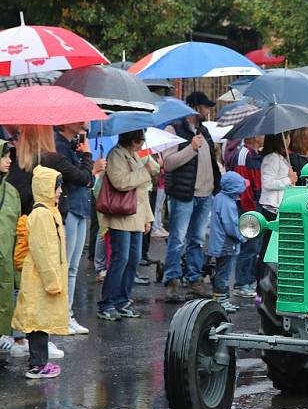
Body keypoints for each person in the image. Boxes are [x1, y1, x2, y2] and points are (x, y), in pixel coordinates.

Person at [6, 125, 65, 359]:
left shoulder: (20, 163)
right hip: (28, 237)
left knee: (25, 295)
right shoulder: (39, 169)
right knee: (31, 301)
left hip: (20, 227)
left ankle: (21, 339)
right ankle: (29, 348)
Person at [162, 92, 221, 303]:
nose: (208, 111)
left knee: (196, 239)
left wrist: (217, 181)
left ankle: (194, 279)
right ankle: (172, 280)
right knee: (177, 239)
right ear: (195, 108)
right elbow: (168, 163)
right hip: (184, 194)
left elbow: (211, 162)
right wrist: (191, 148)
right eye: (205, 107)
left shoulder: (203, 131)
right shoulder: (174, 130)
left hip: (205, 195)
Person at [12, 166, 69, 378]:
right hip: (41, 279)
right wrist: (52, 280)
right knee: (37, 322)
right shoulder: (41, 214)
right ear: (46, 187)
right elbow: (43, 251)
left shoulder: (48, 212)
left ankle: (39, 363)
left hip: (43, 278)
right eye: (57, 186)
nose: (60, 191)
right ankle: (37, 365)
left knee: (40, 321)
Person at [96, 130, 158, 320]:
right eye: (140, 140)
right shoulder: (116, 155)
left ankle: (122, 300)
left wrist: (148, 218)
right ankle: (107, 303)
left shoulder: (134, 156)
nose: (142, 144)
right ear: (132, 140)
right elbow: (120, 183)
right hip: (121, 216)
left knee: (133, 259)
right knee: (120, 259)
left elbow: (142, 192)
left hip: (136, 218)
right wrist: (144, 171)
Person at [55, 122, 105, 334]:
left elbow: (87, 182)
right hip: (69, 209)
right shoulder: (59, 146)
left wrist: (90, 170)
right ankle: (60, 316)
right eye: (82, 119)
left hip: (81, 208)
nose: (87, 123)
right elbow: (77, 179)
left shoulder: (74, 145)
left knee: (73, 267)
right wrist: (90, 164)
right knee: (64, 266)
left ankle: (67, 314)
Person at [258, 133, 296, 277]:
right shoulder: (272, 158)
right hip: (271, 208)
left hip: (278, 207)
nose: (289, 139)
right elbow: (267, 183)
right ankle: (261, 283)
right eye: (286, 136)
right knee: (267, 249)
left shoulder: (281, 157)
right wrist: (288, 179)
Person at [208, 172, 247, 313]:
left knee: (221, 272)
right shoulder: (228, 203)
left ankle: (220, 299)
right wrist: (242, 237)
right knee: (224, 274)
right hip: (226, 244)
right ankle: (220, 301)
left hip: (219, 243)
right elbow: (230, 225)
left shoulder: (219, 197)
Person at [231, 137, 263, 299]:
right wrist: (250, 208)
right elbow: (244, 186)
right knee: (248, 245)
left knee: (254, 247)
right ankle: (241, 282)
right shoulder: (244, 155)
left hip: (255, 204)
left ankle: (249, 280)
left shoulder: (255, 154)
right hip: (248, 206)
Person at [0, 141, 20, 354]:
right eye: (4, 156)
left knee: (5, 294)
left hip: (6, 256)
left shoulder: (11, 191)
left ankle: (2, 333)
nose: (9, 160)